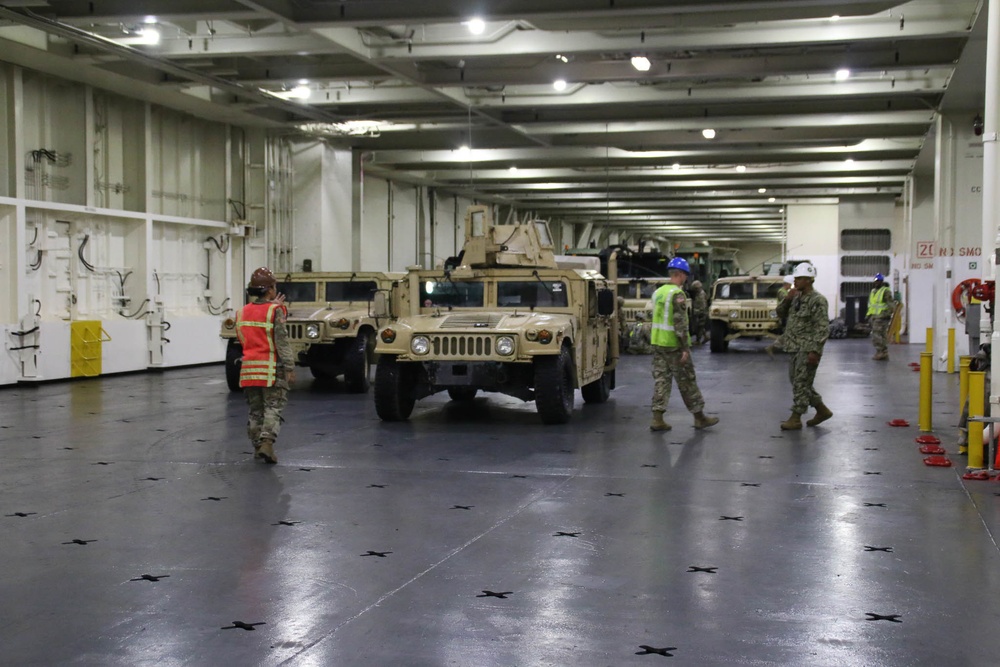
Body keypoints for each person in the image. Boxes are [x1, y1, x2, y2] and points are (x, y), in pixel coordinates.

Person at [648, 257, 720, 432]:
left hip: (658, 343)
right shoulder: (677, 294)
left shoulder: (659, 292)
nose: (686, 279)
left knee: (661, 380)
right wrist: (685, 348)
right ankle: (699, 417)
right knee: (687, 381)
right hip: (674, 346)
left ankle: (657, 418)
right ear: (679, 274)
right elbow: (679, 323)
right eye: (685, 276)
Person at [235, 266, 295, 463]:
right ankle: (267, 443)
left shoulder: (241, 313)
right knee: (273, 406)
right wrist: (289, 366)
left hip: (249, 370)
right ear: (270, 289)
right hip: (271, 370)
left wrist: (275, 307)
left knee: (255, 410)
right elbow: (281, 340)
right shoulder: (274, 311)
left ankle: (257, 447)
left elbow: (245, 338)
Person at [775, 262, 832, 430]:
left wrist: (815, 350)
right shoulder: (795, 298)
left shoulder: (818, 300)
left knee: (801, 382)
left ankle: (796, 417)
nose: (796, 282)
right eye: (796, 278)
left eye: (800, 279)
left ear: (809, 280)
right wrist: (787, 299)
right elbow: (779, 313)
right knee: (797, 380)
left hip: (807, 348)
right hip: (793, 346)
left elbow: (822, 327)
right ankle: (821, 409)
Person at [867, 273, 896, 360]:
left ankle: (881, 352)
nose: (876, 283)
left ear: (882, 282)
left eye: (878, 281)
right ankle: (883, 352)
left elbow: (891, 305)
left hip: (881, 317)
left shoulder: (885, 291)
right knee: (880, 335)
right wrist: (869, 316)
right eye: (875, 281)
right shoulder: (873, 291)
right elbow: (872, 305)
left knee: (877, 335)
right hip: (874, 317)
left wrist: (886, 315)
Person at [765, 274, 794, 357]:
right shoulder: (782, 292)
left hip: (787, 315)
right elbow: (787, 301)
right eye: (790, 284)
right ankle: (772, 347)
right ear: (787, 284)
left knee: (789, 333)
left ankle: (773, 347)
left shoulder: (786, 291)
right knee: (788, 333)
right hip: (785, 315)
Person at [689, 280, 709, 344]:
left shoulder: (701, 295)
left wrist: (696, 311)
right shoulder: (700, 293)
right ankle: (705, 337)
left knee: (699, 326)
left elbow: (702, 305)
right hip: (701, 312)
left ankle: (698, 340)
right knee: (701, 326)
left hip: (701, 312)